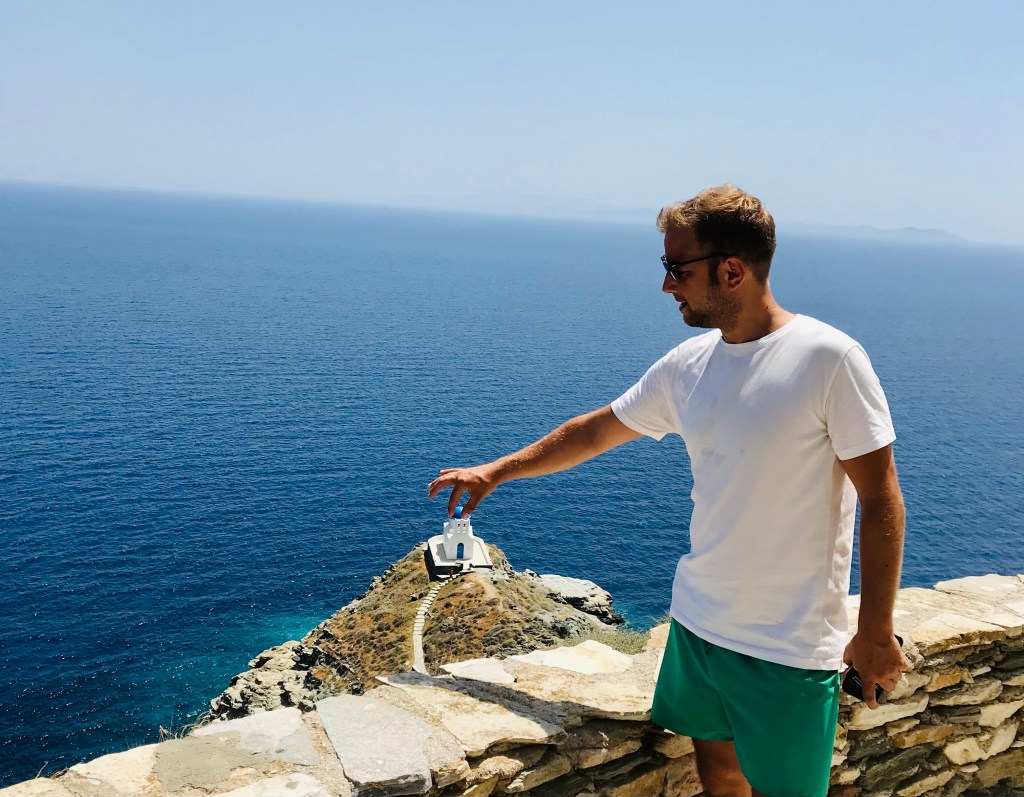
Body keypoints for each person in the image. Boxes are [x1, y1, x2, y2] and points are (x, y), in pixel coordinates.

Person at [427, 185, 908, 797]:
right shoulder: (690, 364)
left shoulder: (828, 359)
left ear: (731, 269)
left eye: (676, 269)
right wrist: (497, 470)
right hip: (701, 626)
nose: (666, 286)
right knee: (720, 775)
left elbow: (881, 500)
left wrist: (873, 630)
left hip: (787, 646)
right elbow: (596, 431)